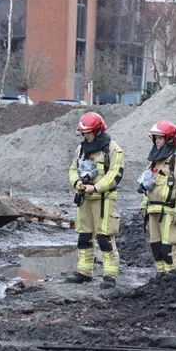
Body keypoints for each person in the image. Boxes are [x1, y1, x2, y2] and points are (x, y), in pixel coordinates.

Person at [66, 112, 125, 289]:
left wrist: (96, 187)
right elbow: (73, 168)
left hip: (104, 200)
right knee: (84, 236)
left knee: (105, 237)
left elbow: (115, 174)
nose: (86, 136)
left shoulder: (112, 149)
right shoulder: (81, 149)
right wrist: (76, 183)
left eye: (88, 132)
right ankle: (84, 272)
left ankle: (109, 275)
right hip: (85, 199)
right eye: (83, 133)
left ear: (98, 131)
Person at [137, 121, 176, 276]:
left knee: (169, 247)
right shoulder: (154, 162)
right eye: (155, 138)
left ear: (169, 139)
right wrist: (144, 206)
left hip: (169, 211)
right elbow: (149, 186)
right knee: (156, 246)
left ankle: (173, 279)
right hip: (153, 210)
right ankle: (161, 277)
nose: (156, 141)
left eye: (160, 138)